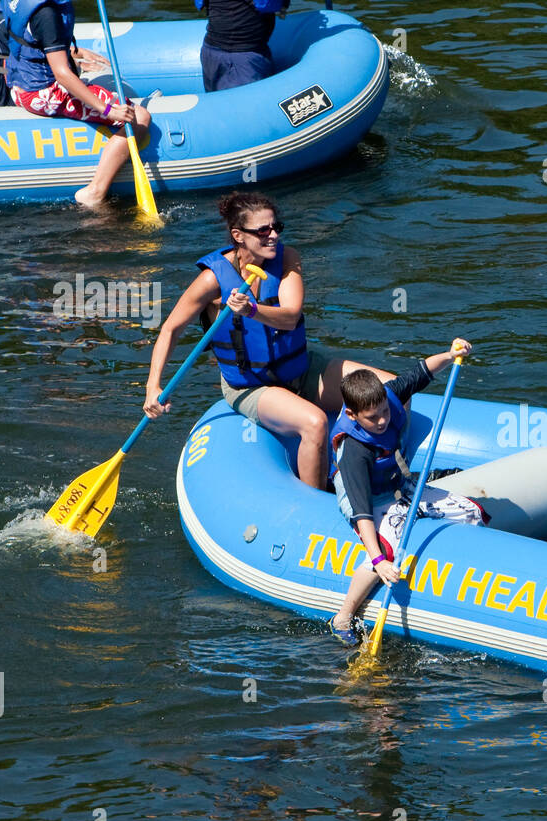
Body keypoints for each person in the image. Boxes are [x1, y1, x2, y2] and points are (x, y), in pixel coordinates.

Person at [143, 192, 390, 489]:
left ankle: (387, 472)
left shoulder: (287, 258)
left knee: (390, 389)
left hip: (299, 370)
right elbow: (171, 329)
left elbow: (290, 316)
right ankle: (314, 507)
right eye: (263, 231)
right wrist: (152, 386)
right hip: (250, 384)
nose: (273, 235)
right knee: (314, 423)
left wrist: (252, 310)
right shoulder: (212, 279)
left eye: (276, 227)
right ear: (238, 236)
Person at [328, 342, 486, 644]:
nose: (383, 420)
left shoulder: (385, 395)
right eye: (373, 417)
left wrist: (450, 356)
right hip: (364, 496)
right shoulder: (354, 451)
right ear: (352, 413)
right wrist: (378, 561)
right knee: (388, 551)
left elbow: (421, 372)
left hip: (394, 484)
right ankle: (343, 615)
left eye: (385, 412)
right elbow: (362, 513)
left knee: (470, 512)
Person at [4, 0, 151, 206]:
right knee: (139, 117)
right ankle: (94, 192)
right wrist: (107, 110)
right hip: (44, 93)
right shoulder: (47, 14)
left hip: (21, 86)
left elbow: (36, 44)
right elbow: (62, 75)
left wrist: (76, 56)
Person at [198, 0, 289, 93]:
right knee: (245, 104)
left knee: (220, 103)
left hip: (212, 50)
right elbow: (267, 4)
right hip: (238, 58)